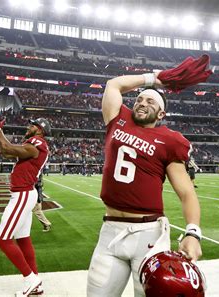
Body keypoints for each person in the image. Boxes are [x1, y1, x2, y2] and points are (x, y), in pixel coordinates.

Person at [86, 72, 202, 297]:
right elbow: (113, 84)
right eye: (139, 99)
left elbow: (187, 192)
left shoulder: (169, 140)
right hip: (110, 231)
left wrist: (193, 233)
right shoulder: (118, 119)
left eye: (150, 101)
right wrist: (153, 78)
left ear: (161, 113)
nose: (142, 102)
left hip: (148, 235)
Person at [0, 113, 51, 297]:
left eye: (31, 125)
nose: (27, 127)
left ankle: (31, 279)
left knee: (3, 239)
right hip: (24, 193)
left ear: (39, 129)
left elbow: (7, 147)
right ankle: (36, 283)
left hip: (22, 194)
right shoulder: (32, 146)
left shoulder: (37, 145)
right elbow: (5, 150)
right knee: (23, 238)